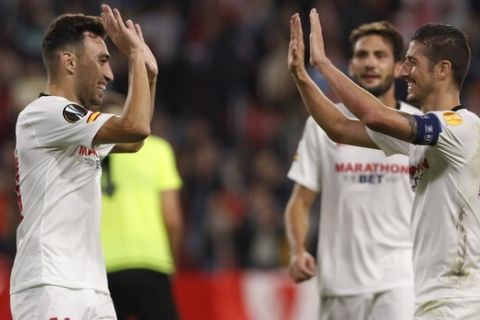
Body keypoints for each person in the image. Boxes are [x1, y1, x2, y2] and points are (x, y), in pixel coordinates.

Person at [288, 8, 480, 319]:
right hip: (433, 299)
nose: (403, 72)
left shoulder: (462, 127)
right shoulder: (422, 138)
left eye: (412, 62)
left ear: (443, 70)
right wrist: (301, 76)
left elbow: (374, 115)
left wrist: (323, 64)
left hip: (459, 303)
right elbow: (338, 126)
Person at [11, 4, 158, 319]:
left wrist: (148, 77)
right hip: (49, 282)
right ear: (69, 61)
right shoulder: (43, 114)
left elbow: (134, 142)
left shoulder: (77, 129)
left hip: (92, 286)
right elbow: (136, 126)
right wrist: (133, 57)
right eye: (102, 60)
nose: (109, 73)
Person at [285, 21, 419, 320]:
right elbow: (300, 202)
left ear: (398, 67)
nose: (370, 62)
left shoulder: (417, 125)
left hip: (401, 279)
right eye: (362, 55)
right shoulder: (320, 125)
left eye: (379, 55)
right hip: (339, 282)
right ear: (350, 64)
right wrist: (297, 250)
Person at [99, 92, 183, 320]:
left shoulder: (88, 152)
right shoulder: (157, 149)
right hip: (150, 261)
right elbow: (172, 217)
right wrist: (171, 259)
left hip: (100, 268)